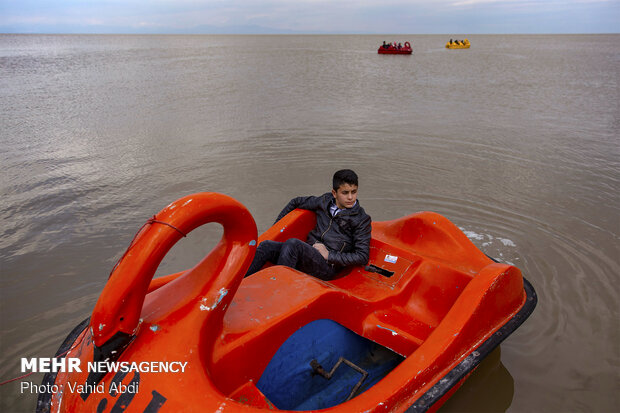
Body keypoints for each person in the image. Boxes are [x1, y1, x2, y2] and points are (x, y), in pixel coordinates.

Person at [244, 169, 372, 281]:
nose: (350, 197)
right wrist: (275, 228)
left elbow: (362, 256)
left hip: (328, 266)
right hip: (308, 252)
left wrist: (329, 255)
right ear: (334, 193)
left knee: (293, 244)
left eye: (353, 192)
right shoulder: (324, 201)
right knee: (266, 245)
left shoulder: (361, 219)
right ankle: (238, 284)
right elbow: (296, 202)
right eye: (345, 193)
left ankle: (277, 288)